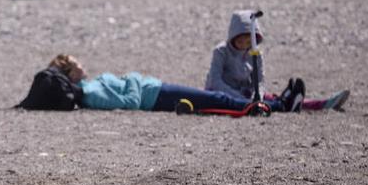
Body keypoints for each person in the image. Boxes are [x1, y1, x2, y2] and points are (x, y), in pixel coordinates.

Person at [17, 54, 310, 113]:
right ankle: (280, 105)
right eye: (76, 63)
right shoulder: (89, 93)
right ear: (69, 74)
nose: (82, 63)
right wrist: (131, 79)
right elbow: (128, 102)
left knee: (214, 99)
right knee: (217, 100)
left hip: (154, 90)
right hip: (153, 96)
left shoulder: (89, 87)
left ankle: (277, 102)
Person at [205, 10, 350, 111]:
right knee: (269, 103)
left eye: (248, 41)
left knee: (272, 98)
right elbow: (215, 81)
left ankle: (321, 104)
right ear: (233, 36)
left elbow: (260, 80)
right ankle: (286, 104)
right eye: (240, 41)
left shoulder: (255, 53)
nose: (244, 45)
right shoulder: (221, 51)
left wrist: (258, 96)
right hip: (223, 94)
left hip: (246, 93)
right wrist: (239, 97)